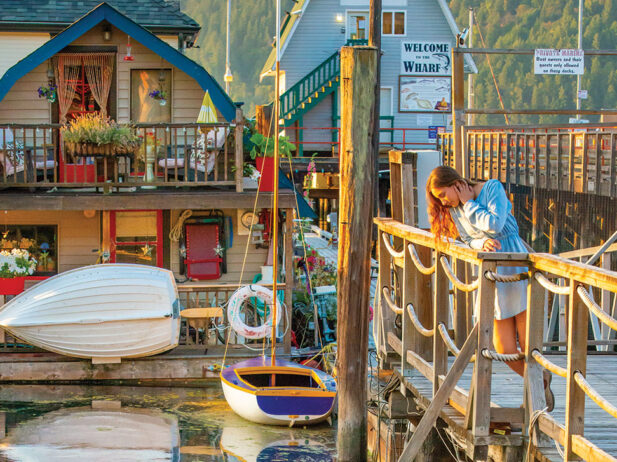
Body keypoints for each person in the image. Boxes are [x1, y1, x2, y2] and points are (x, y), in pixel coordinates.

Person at [426, 165, 554, 412]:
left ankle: (535, 399)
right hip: (492, 276)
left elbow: (495, 224)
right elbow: (466, 238)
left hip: (517, 267)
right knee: (504, 348)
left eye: (443, 195)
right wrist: (480, 241)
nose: (443, 202)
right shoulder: (455, 209)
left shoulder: (492, 188)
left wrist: (469, 203)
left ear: (456, 184)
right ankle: (542, 381)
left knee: (528, 346)